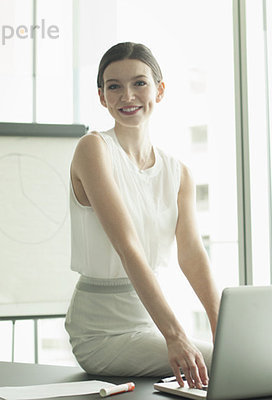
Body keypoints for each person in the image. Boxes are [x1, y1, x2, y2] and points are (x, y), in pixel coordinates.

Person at [64, 42, 220, 390]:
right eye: (114, 86)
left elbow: (192, 254)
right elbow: (127, 247)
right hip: (100, 333)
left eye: (139, 83)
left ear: (159, 90)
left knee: (235, 353)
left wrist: (221, 325)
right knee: (227, 363)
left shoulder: (178, 172)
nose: (127, 95)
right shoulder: (93, 149)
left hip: (149, 324)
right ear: (102, 97)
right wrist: (176, 334)